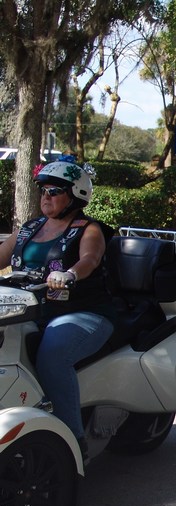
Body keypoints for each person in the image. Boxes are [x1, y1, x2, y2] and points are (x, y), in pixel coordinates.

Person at [0, 157, 115, 458]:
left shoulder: (88, 229)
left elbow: (89, 259)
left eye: (54, 191)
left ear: (75, 195)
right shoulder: (29, 228)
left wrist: (70, 274)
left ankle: (73, 441)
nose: (46, 197)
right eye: (43, 191)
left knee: (52, 355)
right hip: (28, 311)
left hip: (82, 313)